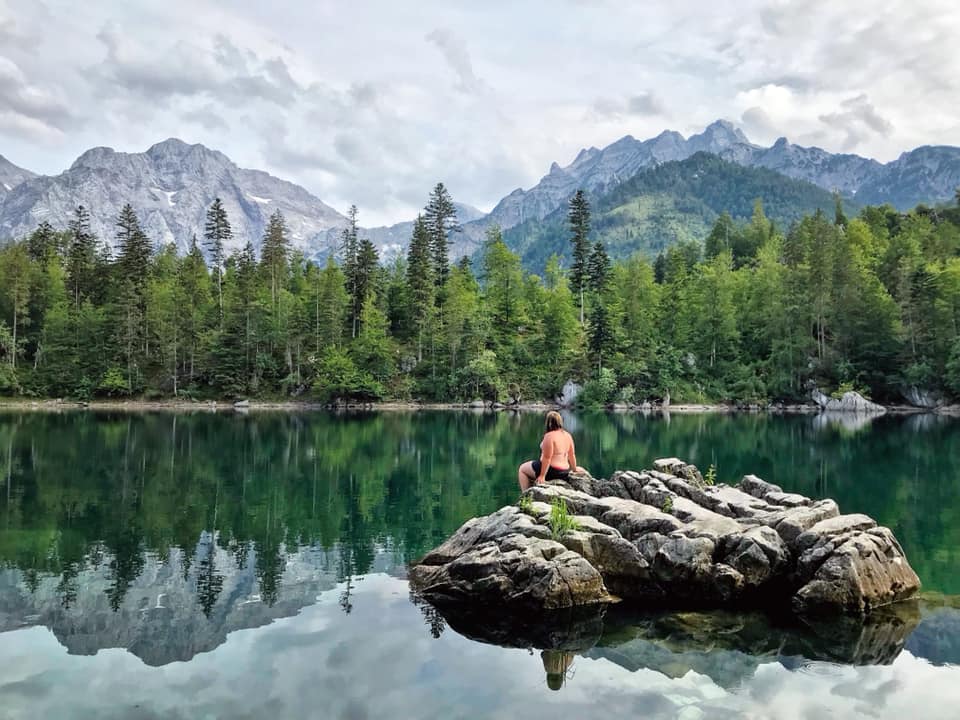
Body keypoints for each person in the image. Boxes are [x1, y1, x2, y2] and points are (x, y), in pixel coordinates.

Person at [517, 411, 583, 491]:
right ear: (560, 422)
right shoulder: (567, 435)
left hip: (551, 471)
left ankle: (525, 495)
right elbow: (571, 455)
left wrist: (542, 476)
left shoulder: (549, 436)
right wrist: (574, 469)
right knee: (532, 467)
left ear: (549, 423)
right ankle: (532, 491)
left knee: (522, 469)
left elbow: (547, 458)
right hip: (564, 471)